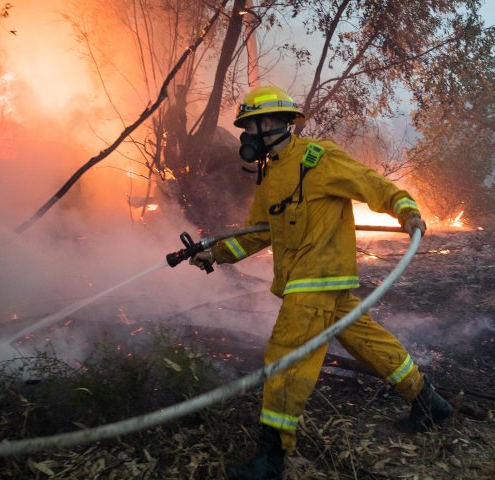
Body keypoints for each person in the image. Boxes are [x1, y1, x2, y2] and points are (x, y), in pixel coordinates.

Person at [189, 85, 453, 480]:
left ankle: (272, 456)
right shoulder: (270, 177)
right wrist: (217, 255)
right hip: (310, 282)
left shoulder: (318, 158)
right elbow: (258, 233)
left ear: (275, 123)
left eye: (252, 125)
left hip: (316, 279)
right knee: (367, 341)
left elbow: (370, 183)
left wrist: (405, 208)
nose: (247, 135)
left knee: (286, 355)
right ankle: (427, 400)